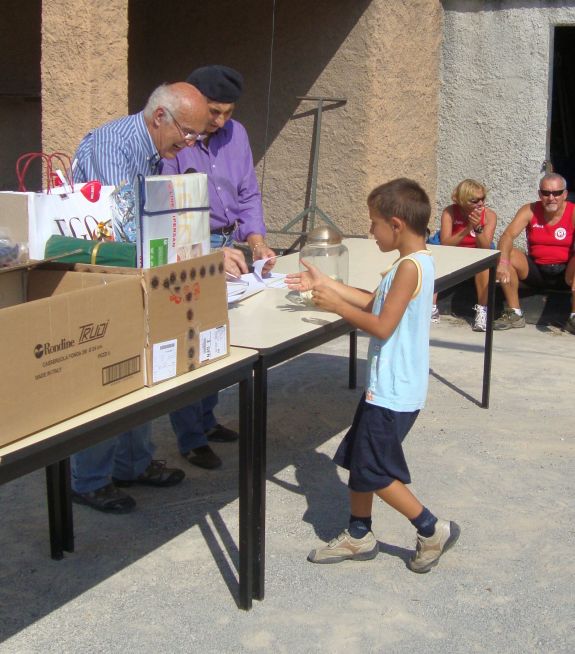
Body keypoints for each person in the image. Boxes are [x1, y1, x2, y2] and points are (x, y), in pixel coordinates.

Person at [286, 178, 460, 573]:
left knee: (375, 471)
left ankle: (431, 529)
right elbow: (374, 301)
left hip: (394, 393)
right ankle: (359, 534)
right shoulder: (410, 263)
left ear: (395, 225)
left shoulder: (409, 269)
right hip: (385, 388)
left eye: (374, 223)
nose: (370, 231)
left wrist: (335, 307)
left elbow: (381, 325)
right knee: (360, 461)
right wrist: (328, 285)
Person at [70, 82, 211, 513]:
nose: (189, 144)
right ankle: (90, 480)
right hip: (101, 276)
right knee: (106, 378)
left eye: (196, 137)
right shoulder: (114, 145)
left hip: (135, 275)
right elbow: (124, 228)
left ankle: (133, 463)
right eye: (188, 134)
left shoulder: (152, 147)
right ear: (160, 118)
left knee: (138, 372)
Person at [162, 65, 276, 470]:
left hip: (231, 244)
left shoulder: (237, 135)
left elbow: (248, 192)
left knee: (217, 339)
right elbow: (171, 205)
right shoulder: (177, 140)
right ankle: (190, 437)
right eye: (213, 112)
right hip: (192, 246)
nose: (220, 121)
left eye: (227, 112)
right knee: (190, 340)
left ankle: (206, 420)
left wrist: (257, 241)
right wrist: (205, 254)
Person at [494, 173, 575, 331]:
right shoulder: (530, 210)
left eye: (557, 193)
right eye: (546, 193)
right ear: (539, 194)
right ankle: (514, 313)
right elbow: (507, 236)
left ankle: (573, 317)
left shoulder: (572, 212)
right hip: (536, 270)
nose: (551, 198)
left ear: (565, 194)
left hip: (566, 273)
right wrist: (502, 263)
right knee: (507, 253)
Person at [439, 179, 497, 331]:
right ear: (463, 201)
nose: (480, 203)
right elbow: (445, 244)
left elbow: (485, 247)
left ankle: (482, 312)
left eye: (483, 198)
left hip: (476, 254)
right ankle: (430, 307)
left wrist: (477, 228)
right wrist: (467, 229)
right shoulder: (450, 212)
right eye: (475, 200)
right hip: (454, 254)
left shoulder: (489, 216)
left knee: (484, 264)